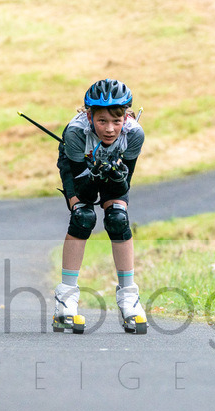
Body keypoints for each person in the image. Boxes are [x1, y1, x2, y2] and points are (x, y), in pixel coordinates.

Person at [53, 78, 147, 335]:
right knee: (83, 217)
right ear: (89, 114)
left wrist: (115, 177)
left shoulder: (134, 134)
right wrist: (94, 173)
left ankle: (129, 298)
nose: (109, 129)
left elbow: (122, 188)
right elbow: (83, 190)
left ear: (127, 117)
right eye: (102, 120)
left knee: (118, 219)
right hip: (78, 170)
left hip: (110, 169)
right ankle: (66, 301)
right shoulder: (75, 132)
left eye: (116, 121)